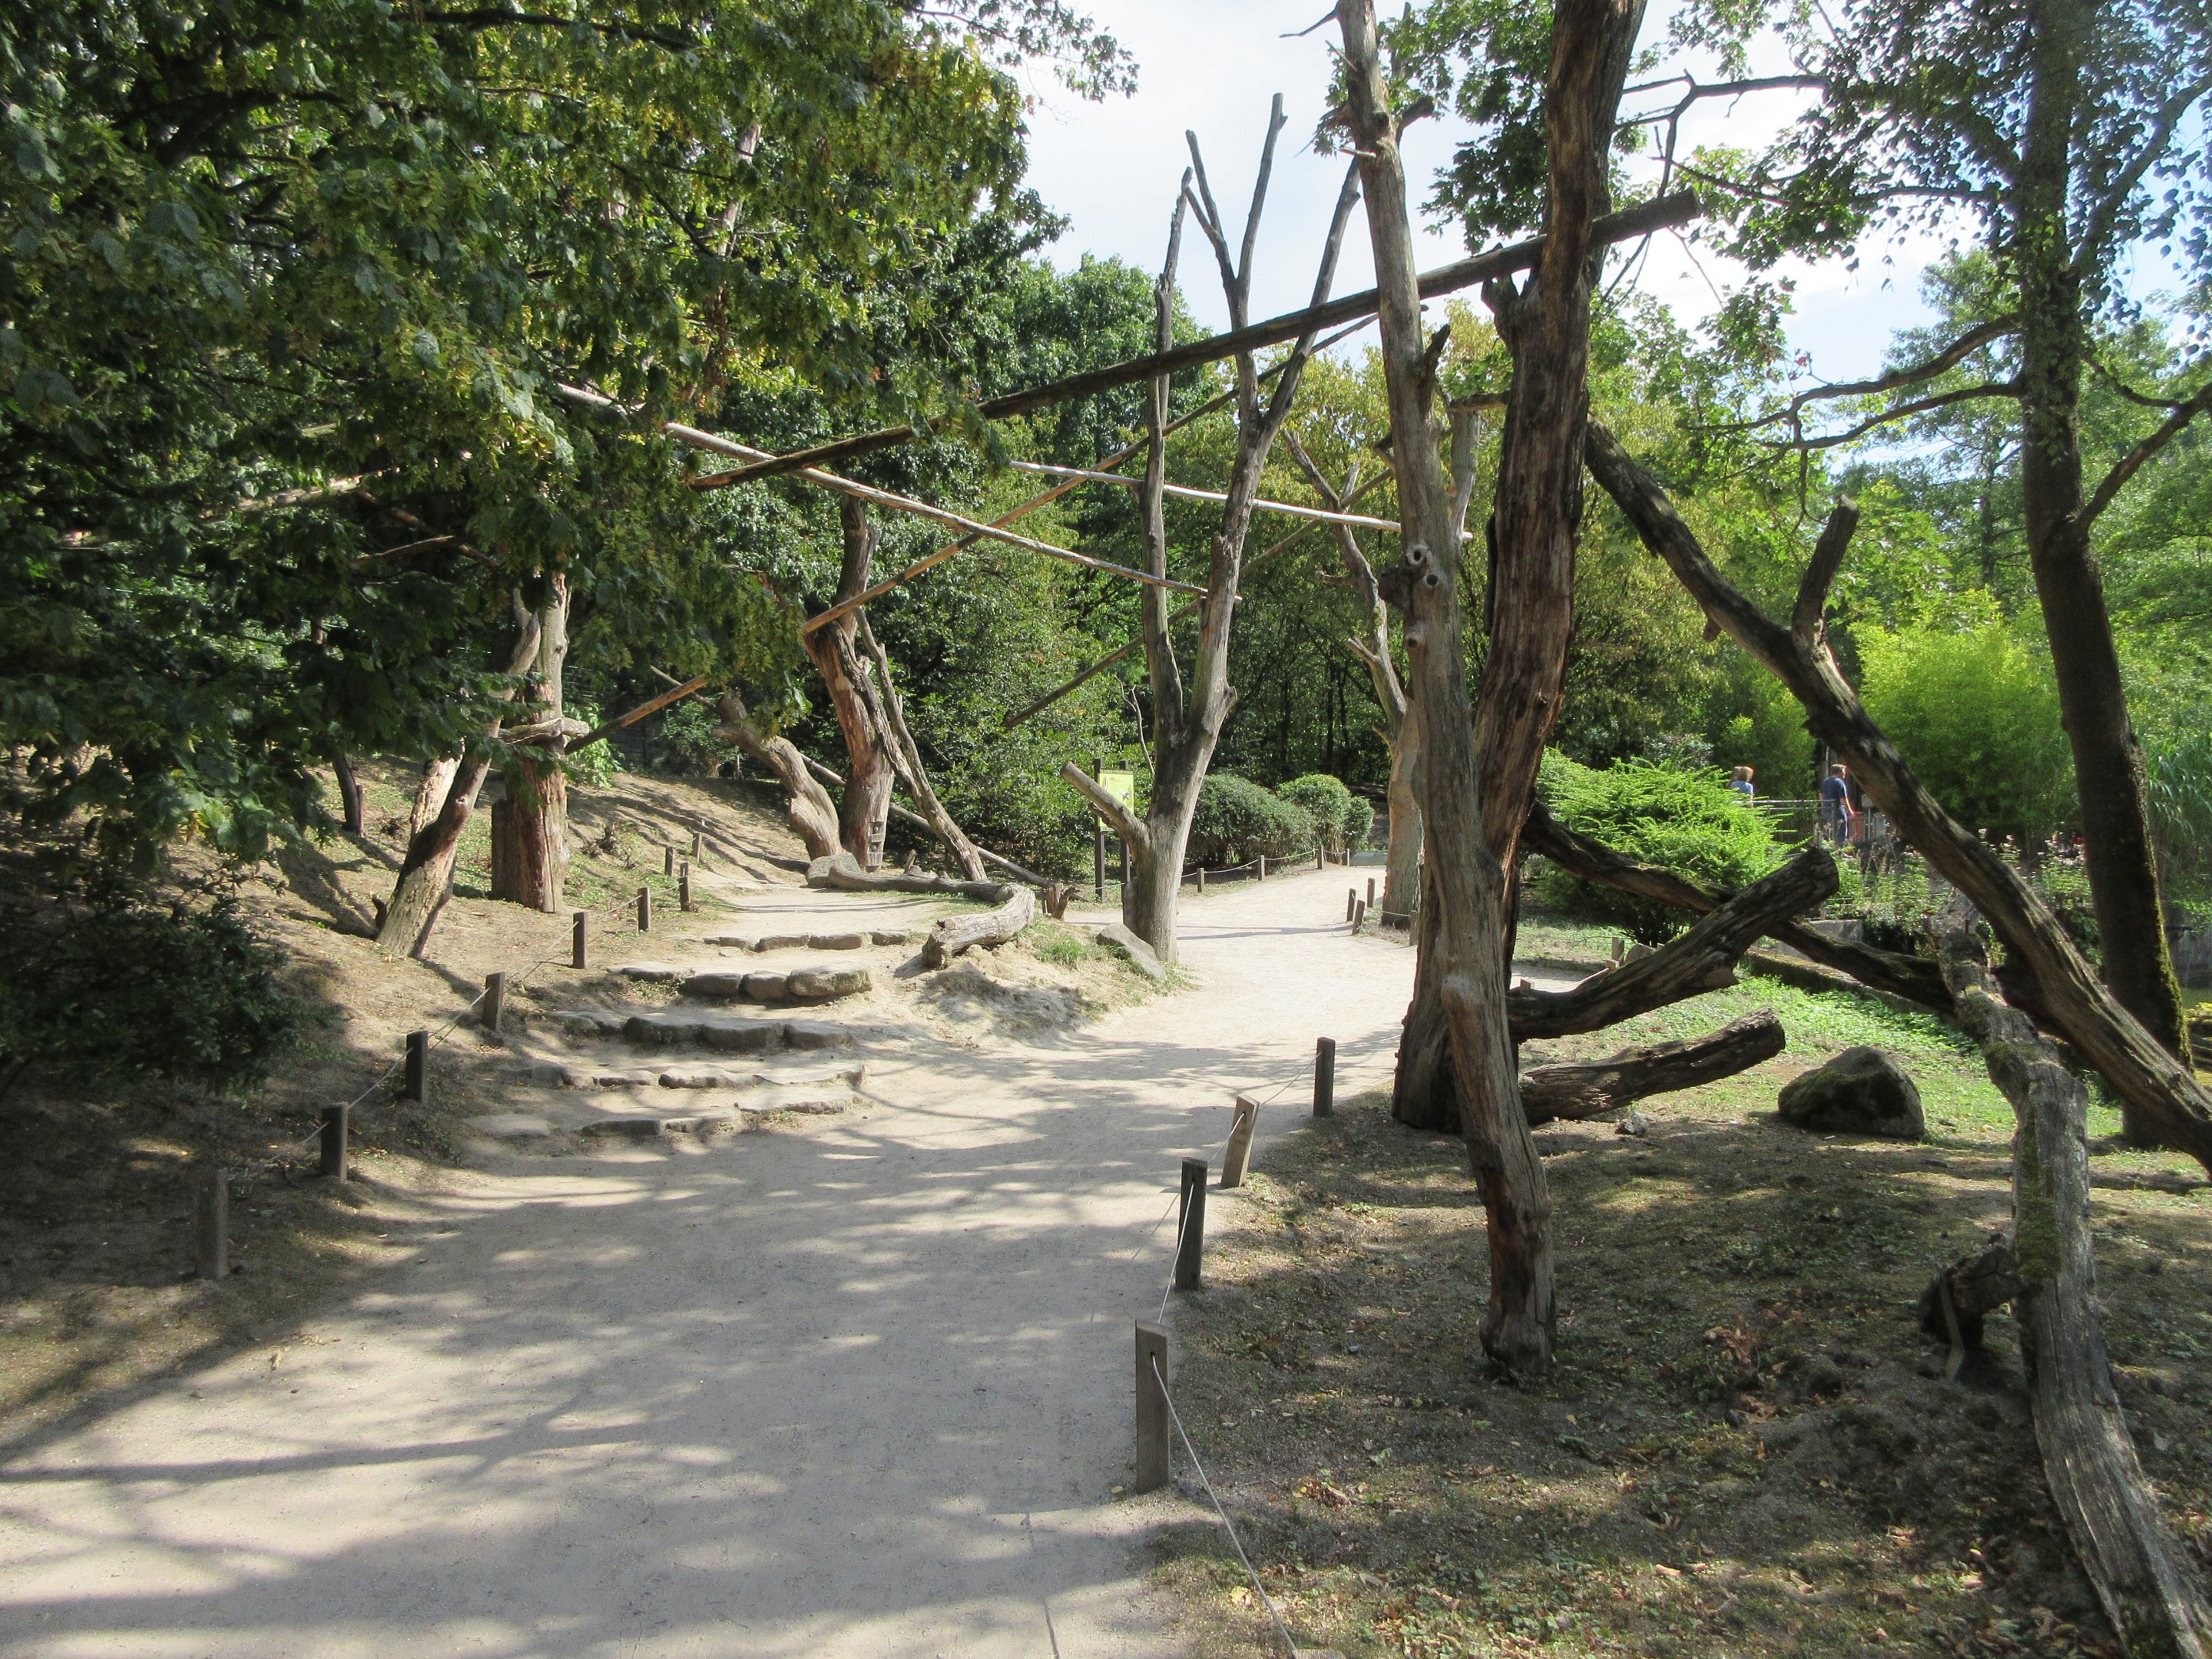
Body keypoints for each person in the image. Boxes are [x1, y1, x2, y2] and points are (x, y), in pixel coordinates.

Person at [1820, 763, 1856, 845]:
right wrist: (1850, 811)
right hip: (1838, 809)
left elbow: (1821, 794)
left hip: (1827, 810)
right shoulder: (1839, 782)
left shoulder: (1825, 781)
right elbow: (1843, 799)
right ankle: (1840, 848)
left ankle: (1831, 846)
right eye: (1843, 772)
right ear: (1839, 772)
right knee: (1841, 829)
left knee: (1831, 830)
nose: (1845, 774)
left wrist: (1823, 806)